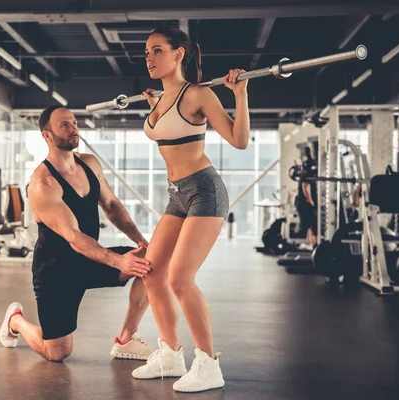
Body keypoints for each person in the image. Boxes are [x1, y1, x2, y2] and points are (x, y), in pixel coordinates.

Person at [130, 25, 250, 393]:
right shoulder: (160, 101)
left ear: (179, 53)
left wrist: (240, 95)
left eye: (157, 51)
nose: (149, 58)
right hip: (176, 194)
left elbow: (239, 140)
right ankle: (169, 355)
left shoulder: (197, 94)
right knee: (151, 271)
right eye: (146, 52)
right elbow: (166, 129)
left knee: (179, 278)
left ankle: (208, 364)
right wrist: (153, 105)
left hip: (204, 191)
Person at [0, 105, 154, 362]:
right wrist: (119, 261)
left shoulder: (89, 164)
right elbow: (73, 235)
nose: (74, 129)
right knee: (57, 352)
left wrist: (140, 241)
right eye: (65, 125)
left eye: (74, 123)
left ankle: (125, 339)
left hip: (89, 259)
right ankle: (16, 321)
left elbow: (112, 206)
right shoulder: (42, 183)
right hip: (56, 272)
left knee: (150, 260)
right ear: (47, 136)